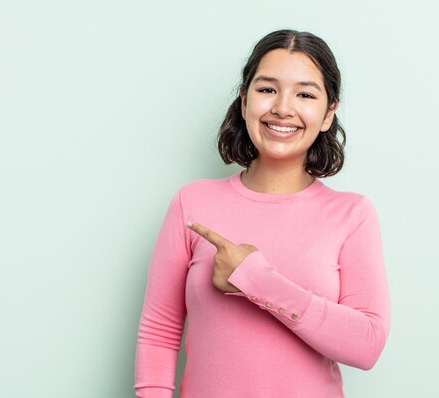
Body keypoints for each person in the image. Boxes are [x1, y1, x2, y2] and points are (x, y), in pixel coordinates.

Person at [134, 29, 391, 398]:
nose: (282, 108)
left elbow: (367, 346)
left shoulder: (352, 214)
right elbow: (159, 331)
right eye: (267, 89)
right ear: (243, 100)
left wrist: (255, 279)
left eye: (305, 94)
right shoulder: (191, 203)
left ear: (327, 114)